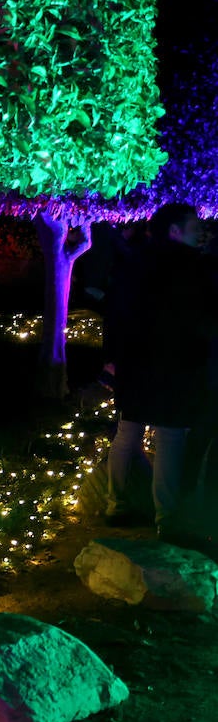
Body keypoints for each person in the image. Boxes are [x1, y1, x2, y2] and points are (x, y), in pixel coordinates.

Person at [104, 203, 215, 540]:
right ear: (174, 230)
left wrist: (112, 357)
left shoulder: (135, 261)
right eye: (194, 224)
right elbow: (204, 319)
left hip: (137, 364)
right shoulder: (197, 267)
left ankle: (115, 504)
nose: (201, 229)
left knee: (128, 432)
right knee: (170, 437)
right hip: (176, 366)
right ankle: (165, 519)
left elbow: (116, 310)